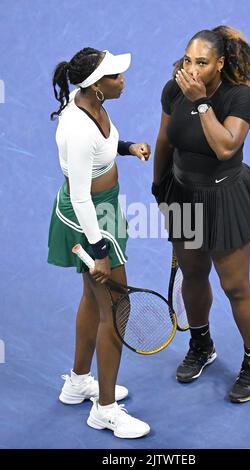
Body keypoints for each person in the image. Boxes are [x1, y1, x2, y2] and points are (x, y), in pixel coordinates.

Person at [152, 26, 250, 403]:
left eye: (202, 62)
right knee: (193, 274)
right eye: (188, 59)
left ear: (220, 64)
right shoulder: (173, 89)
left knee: (235, 285)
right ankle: (201, 344)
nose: (191, 69)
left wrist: (201, 103)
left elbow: (226, 147)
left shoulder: (241, 97)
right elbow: (165, 140)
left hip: (226, 198)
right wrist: (160, 187)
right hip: (183, 195)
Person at [48, 47, 151, 437]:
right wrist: (99, 251)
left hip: (101, 209)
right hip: (90, 219)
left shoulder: (95, 104)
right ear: (97, 85)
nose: (123, 79)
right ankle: (105, 409)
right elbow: (79, 196)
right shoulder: (75, 127)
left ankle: (77, 382)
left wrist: (127, 148)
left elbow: (101, 151)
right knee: (117, 307)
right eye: (116, 76)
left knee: (93, 299)